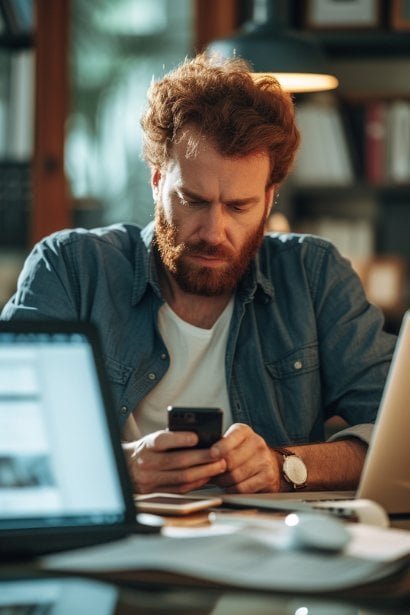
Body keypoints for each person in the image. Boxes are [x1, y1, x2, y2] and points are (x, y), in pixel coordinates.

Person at [1, 53, 396, 496]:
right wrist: (118, 468)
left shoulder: (315, 275)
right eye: (192, 200)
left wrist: (284, 467)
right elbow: (12, 434)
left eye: (238, 207)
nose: (214, 232)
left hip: (265, 549)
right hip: (116, 544)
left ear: (269, 200)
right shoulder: (71, 268)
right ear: (156, 181)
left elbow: (396, 437)